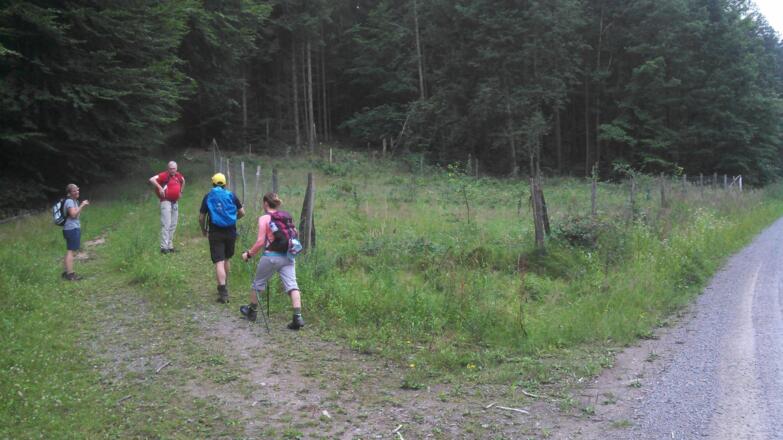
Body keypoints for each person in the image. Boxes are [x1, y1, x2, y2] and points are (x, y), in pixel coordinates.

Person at [240, 192, 305, 330]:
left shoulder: (264, 218)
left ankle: (252, 312)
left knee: (257, 284)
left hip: (271, 257)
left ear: (265, 203)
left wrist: (248, 254)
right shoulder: (285, 217)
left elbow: (259, 242)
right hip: (288, 256)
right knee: (292, 286)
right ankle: (297, 317)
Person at [199, 173, 245, 303]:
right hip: (231, 231)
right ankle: (225, 283)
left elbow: (201, 217)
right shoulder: (231, 195)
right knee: (226, 259)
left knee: (219, 261)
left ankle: (223, 291)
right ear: (225, 184)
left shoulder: (208, 196)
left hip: (215, 232)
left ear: (213, 183)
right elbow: (242, 212)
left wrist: (204, 230)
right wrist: (233, 219)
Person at [149, 161, 185, 254]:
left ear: (176, 168)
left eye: (174, 168)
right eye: (171, 168)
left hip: (175, 202)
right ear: (168, 168)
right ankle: (164, 248)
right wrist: (160, 188)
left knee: (173, 224)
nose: (172, 170)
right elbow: (152, 179)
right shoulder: (164, 175)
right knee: (166, 224)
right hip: (166, 201)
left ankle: (170, 246)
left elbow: (183, 180)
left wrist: (181, 191)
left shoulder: (178, 176)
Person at [62, 183, 89, 281]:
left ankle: (66, 272)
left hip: (72, 228)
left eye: (77, 190)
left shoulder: (74, 201)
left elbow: (76, 216)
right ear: (69, 193)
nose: (77, 192)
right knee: (70, 251)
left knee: (70, 250)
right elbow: (73, 215)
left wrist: (80, 205)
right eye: (74, 191)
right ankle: (70, 275)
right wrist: (82, 205)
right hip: (71, 229)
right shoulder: (69, 201)